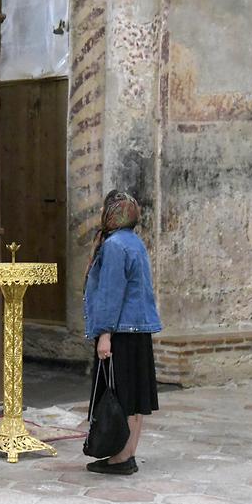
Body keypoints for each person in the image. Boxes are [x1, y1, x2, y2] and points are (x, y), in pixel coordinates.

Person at [83, 190, 162, 475]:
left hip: (121, 332)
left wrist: (104, 334)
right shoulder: (134, 242)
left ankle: (121, 459)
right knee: (135, 398)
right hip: (137, 331)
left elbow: (111, 292)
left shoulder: (115, 245)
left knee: (122, 397)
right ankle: (126, 455)